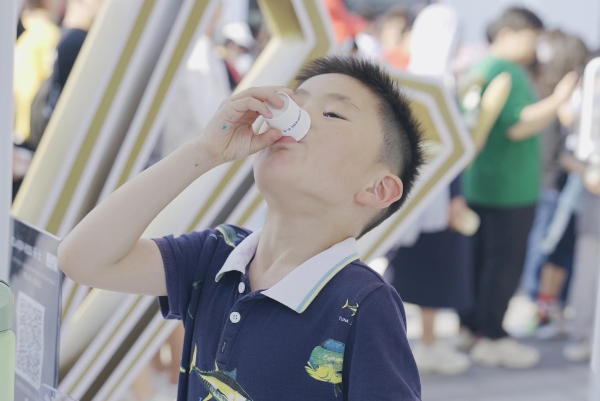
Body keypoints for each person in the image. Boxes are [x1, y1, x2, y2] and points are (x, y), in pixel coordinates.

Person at [58, 55, 424, 400]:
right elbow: (83, 260)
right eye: (296, 103)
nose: (296, 117)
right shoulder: (216, 255)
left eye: (332, 113)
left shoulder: (364, 303)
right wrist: (204, 151)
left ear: (378, 189)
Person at [458, 7, 579, 369]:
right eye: (532, 36)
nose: (535, 45)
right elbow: (517, 125)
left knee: (480, 262)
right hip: (509, 188)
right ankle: (493, 336)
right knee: (503, 265)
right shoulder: (505, 70)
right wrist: (558, 100)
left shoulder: (480, 68)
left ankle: (472, 327)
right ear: (510, 34)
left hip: (482, 183)